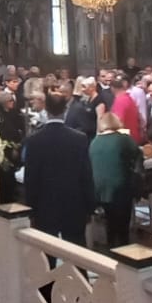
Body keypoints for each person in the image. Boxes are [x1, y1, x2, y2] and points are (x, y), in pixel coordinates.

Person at [23, 89, 94, 246]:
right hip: (74, 203)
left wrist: (31, 209)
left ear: (46, 109)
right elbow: (86, 175)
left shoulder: (34, 140)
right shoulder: (79, 139)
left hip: (45, 206)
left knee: (46, 253)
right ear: (65, 109)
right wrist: (90, 206)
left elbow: (31, 179)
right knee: (76, 252)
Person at [90, 111, 143, 249]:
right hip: (120, 187)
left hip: (100, 189)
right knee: (123, 226)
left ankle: (111, 247)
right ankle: (124, 250)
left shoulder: (94, 142)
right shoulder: (123, 139)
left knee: (110, 222)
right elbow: (138, 155)